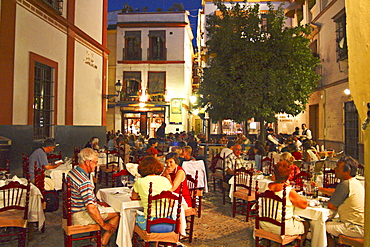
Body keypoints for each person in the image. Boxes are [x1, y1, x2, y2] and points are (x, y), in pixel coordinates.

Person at [67, 148, 120, 246]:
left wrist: (97, 203)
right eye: (95, 163)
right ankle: (103, 242)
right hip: (79, 215)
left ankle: (97, 240)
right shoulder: (84, 182)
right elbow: (91, 208)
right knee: (118, 214)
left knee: (107, 208)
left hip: (73, 210)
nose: (97, 165)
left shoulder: (73, 172)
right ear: (87, 162)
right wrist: (103, 225)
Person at [313, 156, 364, 246]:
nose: (334, 169)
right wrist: (318, 188)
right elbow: (337, 193)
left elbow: (331, 206)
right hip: (362, 224)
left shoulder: (345, 184)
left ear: (347, 172)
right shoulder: (355, 182)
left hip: (355, 227)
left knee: (320, 227)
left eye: (337, 167)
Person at [259, 160, 309, 239]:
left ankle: (271, 241)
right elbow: (304, 205)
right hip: (280, 227)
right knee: (306, 224)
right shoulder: (288, 191)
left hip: (263, 223)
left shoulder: (266, 185)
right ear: (289, 175)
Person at [131, 156, 174, 232]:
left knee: (133, 216)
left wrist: (143, 197)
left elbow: (133, 197)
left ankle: (128, 241)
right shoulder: (165, 180)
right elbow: (171, 202)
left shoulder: (139, 182)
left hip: (151, 224)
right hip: (170, 224)